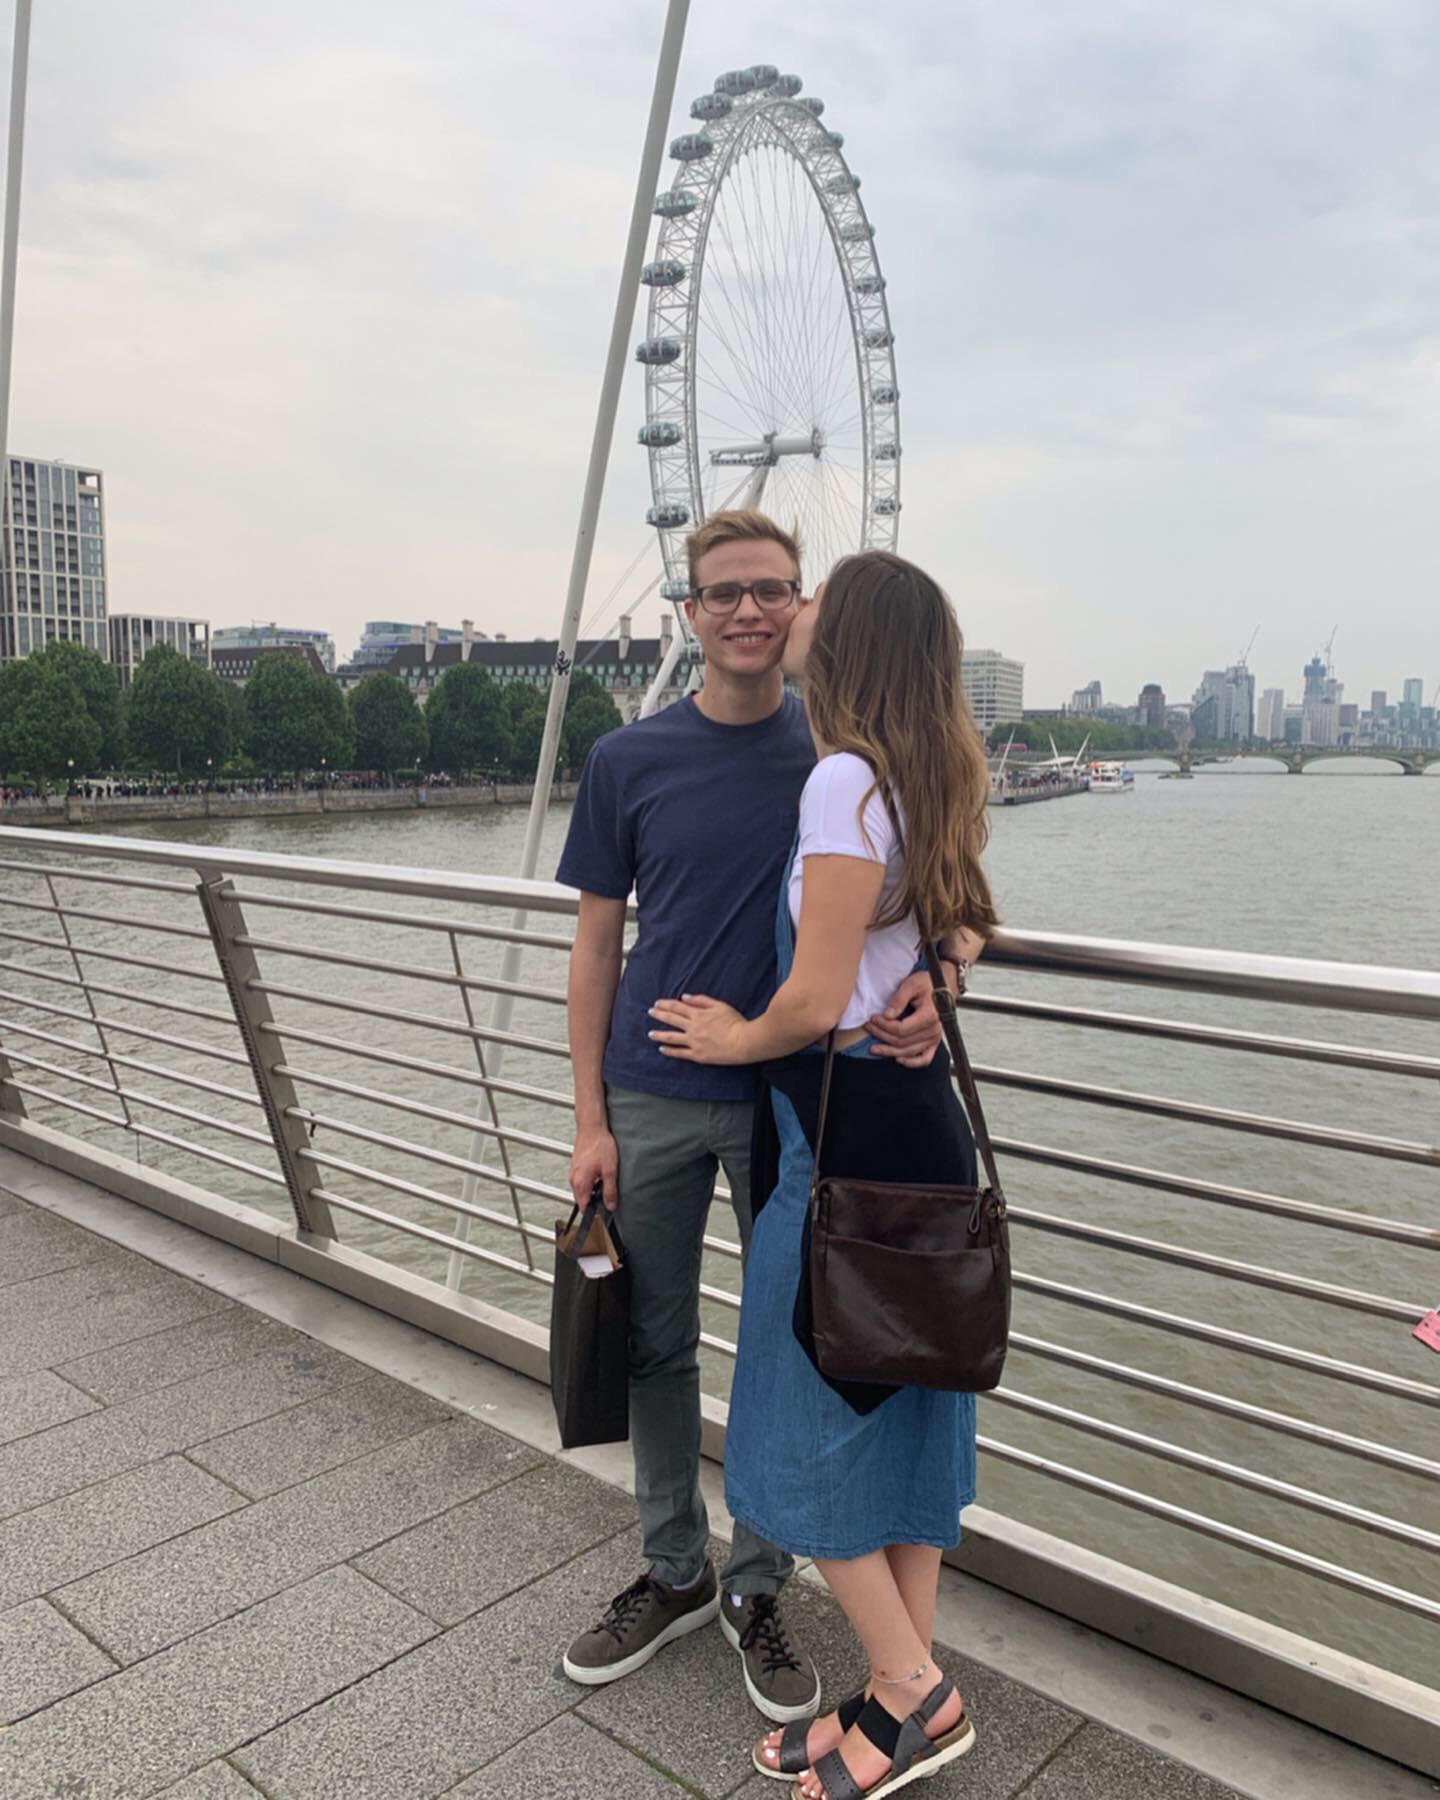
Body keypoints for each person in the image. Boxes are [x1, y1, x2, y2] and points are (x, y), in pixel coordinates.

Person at [555, 511, 957, 1723]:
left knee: (802, 1345)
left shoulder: (841, 745)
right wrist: (588, 1113)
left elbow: (942, 894)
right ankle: (674, 1567)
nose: (747, 610)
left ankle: (760, 1584)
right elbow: (594, 944)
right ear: (688, 612)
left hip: (800, 1104)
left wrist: (941, 980)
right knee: (657, 1341)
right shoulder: (630, 758)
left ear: (800, 608)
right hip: (660, 1088)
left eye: (772, 589)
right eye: (722, 592)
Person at [650, 549, 996, 1799]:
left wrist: (725, 1034)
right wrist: (939, 977)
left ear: (841, 638)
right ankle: (895, 1688)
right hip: (921, 1135)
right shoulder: (932, 768)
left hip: (839, 1140)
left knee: (800, 1429)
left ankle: (916, 1695)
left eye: (808, 602)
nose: (781, 617)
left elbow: (806, 999)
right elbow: (962, 920)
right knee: (901, 1411)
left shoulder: (843, 779)